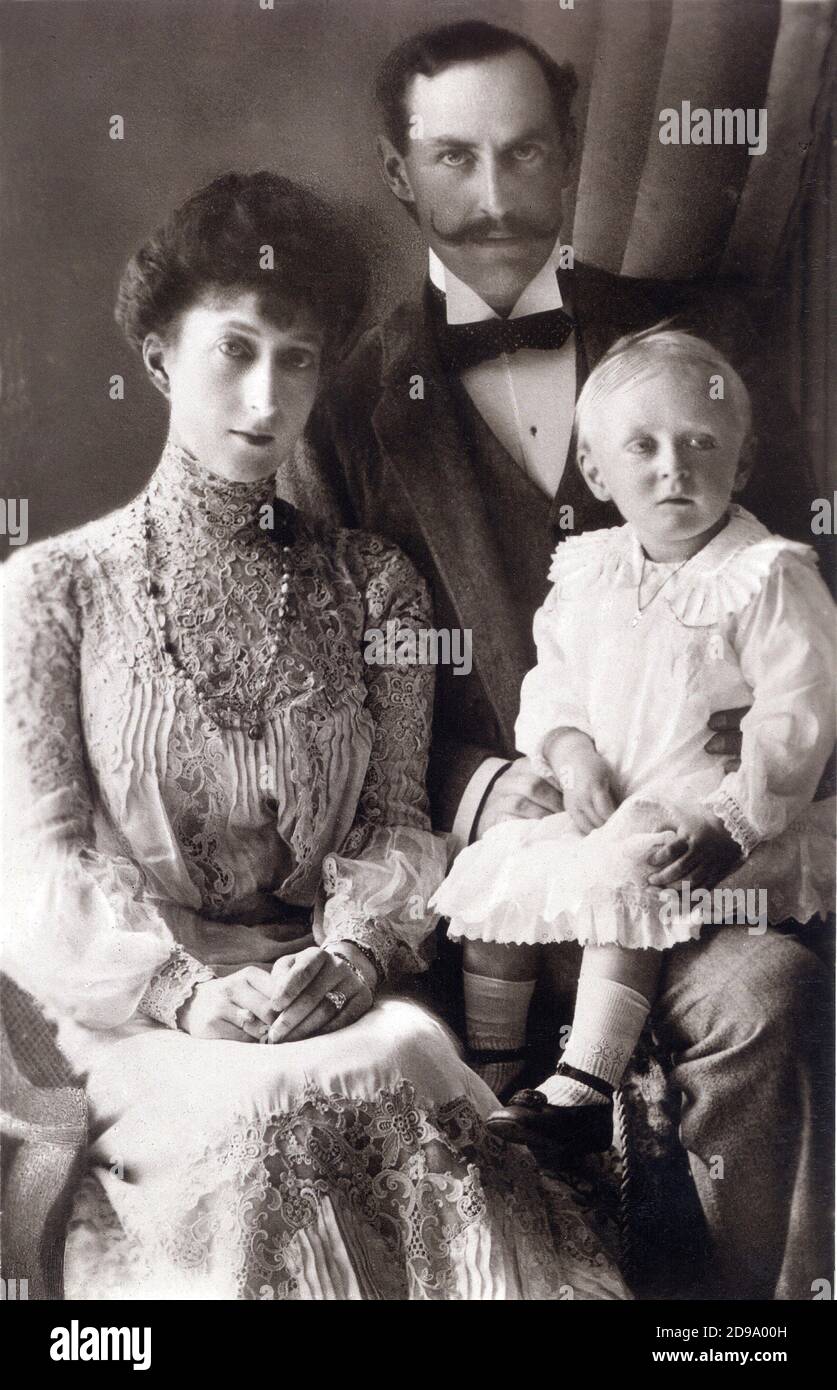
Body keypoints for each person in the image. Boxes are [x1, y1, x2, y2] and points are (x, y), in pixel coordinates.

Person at [1, 171, 629, 1301]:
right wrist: (186, 991)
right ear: (156, 358)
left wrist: (354, 954)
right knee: (259, 1120)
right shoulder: (52, 591)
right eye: (233, 350)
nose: (267, 394)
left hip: (332, 995)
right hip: (141, 1012)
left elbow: (395, 822)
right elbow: (33, 863)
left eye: (298, 358)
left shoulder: (372, 589)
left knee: (394, 1055)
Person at [282, 19, 834, 1299]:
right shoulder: (351, 404)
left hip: (700, 849)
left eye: (525, 154)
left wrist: (740, 764)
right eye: (454, 159)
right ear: (398, 172)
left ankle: (737, 1326)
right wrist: (489, 782)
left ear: (573, 149)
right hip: (491, 876)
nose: (492, 197)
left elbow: (808, 608)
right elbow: (331, 698)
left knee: (771, 993)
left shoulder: (707, 343)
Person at [433, 326, 835, 1152]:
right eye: (642, 446)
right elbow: (552, 682)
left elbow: (799, 712)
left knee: (631, 867)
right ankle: (498, 1079)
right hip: (610, 804)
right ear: (595, 471)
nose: (673, 467)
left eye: (699, 443)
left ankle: (586, 1077)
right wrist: (570, 749)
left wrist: (733, 819)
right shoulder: (590, 570)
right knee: (491, 879)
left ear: (742, 462)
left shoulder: (764, 574)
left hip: (712, 821)